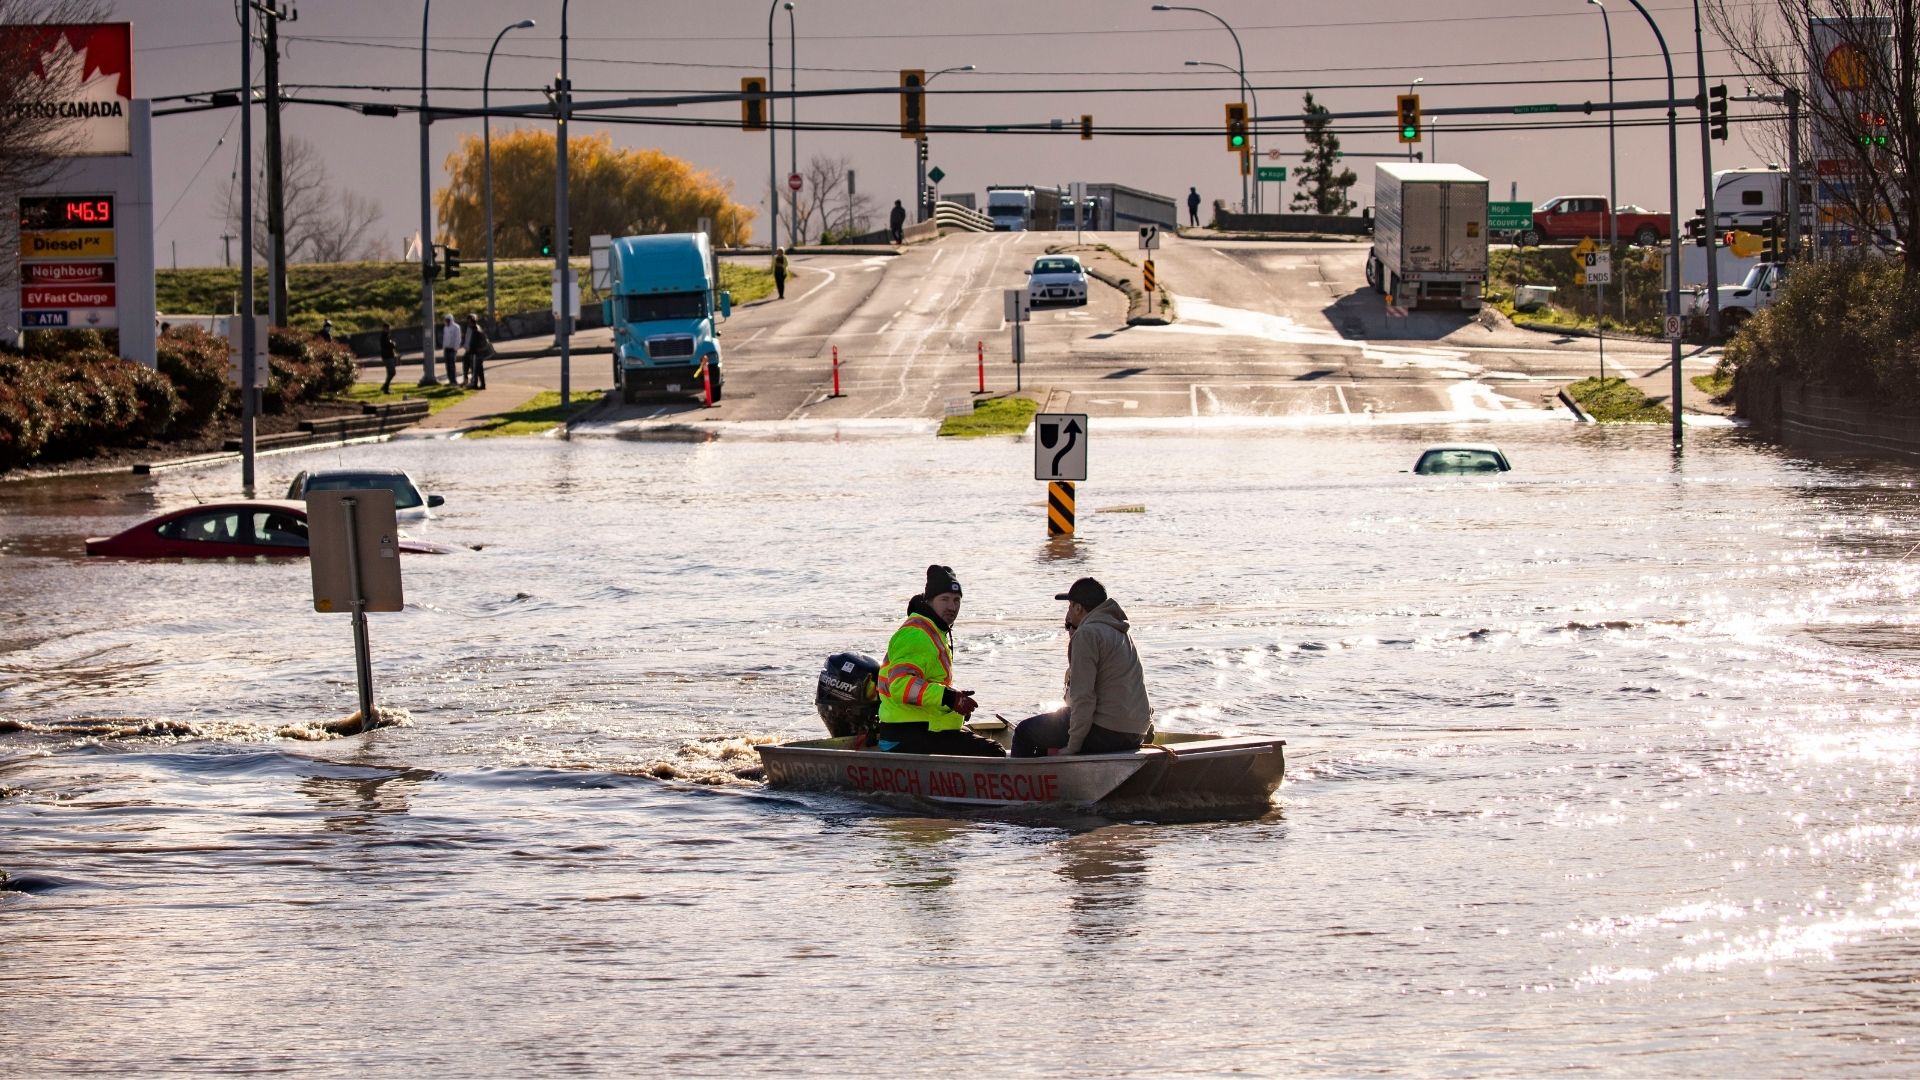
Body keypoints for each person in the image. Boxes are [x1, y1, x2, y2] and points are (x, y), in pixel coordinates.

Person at [1011, 577, 1153, 758]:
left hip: (1107, 731)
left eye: (1070, 606)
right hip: (1136, 733)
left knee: (1024, 732)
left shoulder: (1087, 634)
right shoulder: (1121, 632)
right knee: (1056, 725)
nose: (1068, 613)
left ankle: (1026, 784)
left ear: (1078, 608)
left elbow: (1083, 698)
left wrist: (1073, 746)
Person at [875, 564, 1005, 757]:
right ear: (929, 601)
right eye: (944, 599)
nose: (952, 607)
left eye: (956, 600)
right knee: (994, 753)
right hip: (905, 734)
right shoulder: (916, 634)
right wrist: (949, 698)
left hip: (922, 727)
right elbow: (900, 685)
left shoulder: (935, 629)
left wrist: (953, 702)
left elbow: (929, 685)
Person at [462, 313, 491, 390]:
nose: (468, 323)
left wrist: (475, 349)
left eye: (469, 322)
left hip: (476, 353)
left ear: (472, 322)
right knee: (479, 370)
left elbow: (479, 342)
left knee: (475, 369)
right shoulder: (474, 329)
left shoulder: (476, 330)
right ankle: (482, 385)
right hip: (475, 352)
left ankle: (475, 384)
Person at [439, 314, 461, 385]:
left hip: (452, 349)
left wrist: (456, 348)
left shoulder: (456, 327)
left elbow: (458, 338)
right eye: (446, 320)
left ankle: (454, 381)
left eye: (447, 320)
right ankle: (450, 380)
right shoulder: (445, 328)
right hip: (446, 349)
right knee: (447, 366)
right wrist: (444, 347)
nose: (446, 322)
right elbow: (445, 338)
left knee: (452, 365)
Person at [378, 324, 398, 394]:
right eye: (387, 328)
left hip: (389, 356)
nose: (389, 330)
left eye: (389, 328)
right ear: (384, 328)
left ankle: (385, 387)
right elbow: (390, 345)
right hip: (387, 357)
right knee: (392, 372)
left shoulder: (387, 336)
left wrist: (392, 344)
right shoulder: (384, 336)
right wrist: (393, 344)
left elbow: (390, 345)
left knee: (390, 373)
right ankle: (385, 387)